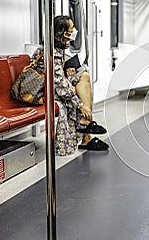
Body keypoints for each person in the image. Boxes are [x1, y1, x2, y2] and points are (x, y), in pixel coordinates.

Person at [30, 15, 108, 156]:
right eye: (72, 28)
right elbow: (59, 84)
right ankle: (86, 125)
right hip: (41, 93)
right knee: (80, 81)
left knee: (83, 75)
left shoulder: (57, 50)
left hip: (49, 87)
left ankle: (86, 129)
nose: (74, 31)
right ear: (64, 33)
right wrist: (79, 105)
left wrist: (67, 71)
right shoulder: (50, 53)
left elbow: (57, 76)